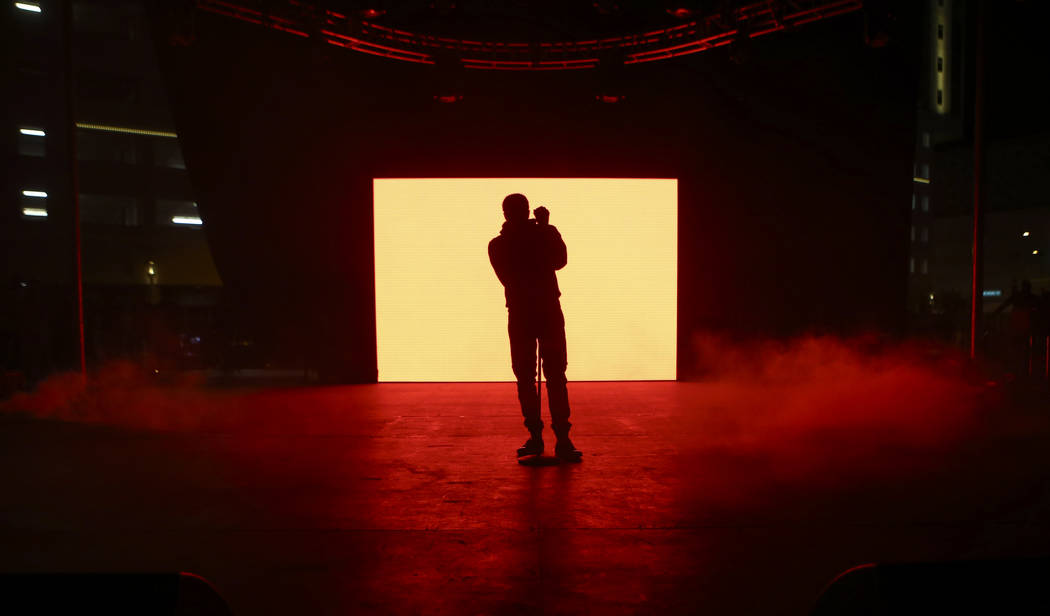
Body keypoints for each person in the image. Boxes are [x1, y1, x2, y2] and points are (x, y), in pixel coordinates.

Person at [488, 193, 582, 462]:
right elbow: (557, 261)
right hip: (545, 310)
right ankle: (560, 438)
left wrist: (544, 231)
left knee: (530, 377)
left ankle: (539, 437)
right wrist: (545, 229)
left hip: (523, 313)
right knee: (551, 375)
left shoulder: (499, 244)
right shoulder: (531, 237)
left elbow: (556, 261)